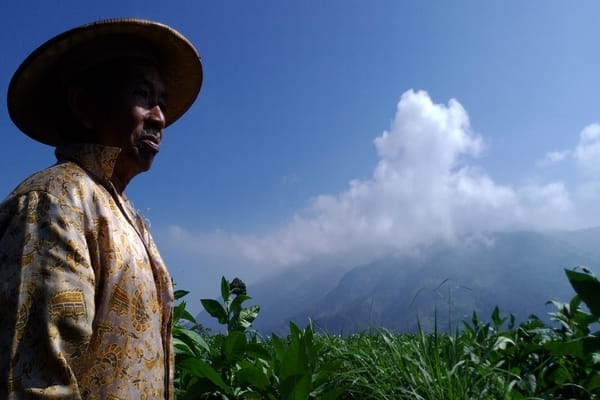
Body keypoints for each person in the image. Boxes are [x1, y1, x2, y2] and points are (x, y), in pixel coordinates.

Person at [0, 18, 202, 399]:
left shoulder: (121, 212)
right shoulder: (53, 203)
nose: (160, 117)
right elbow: (36, 384)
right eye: (143, 95)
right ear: (84, 106)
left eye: (162, 101)